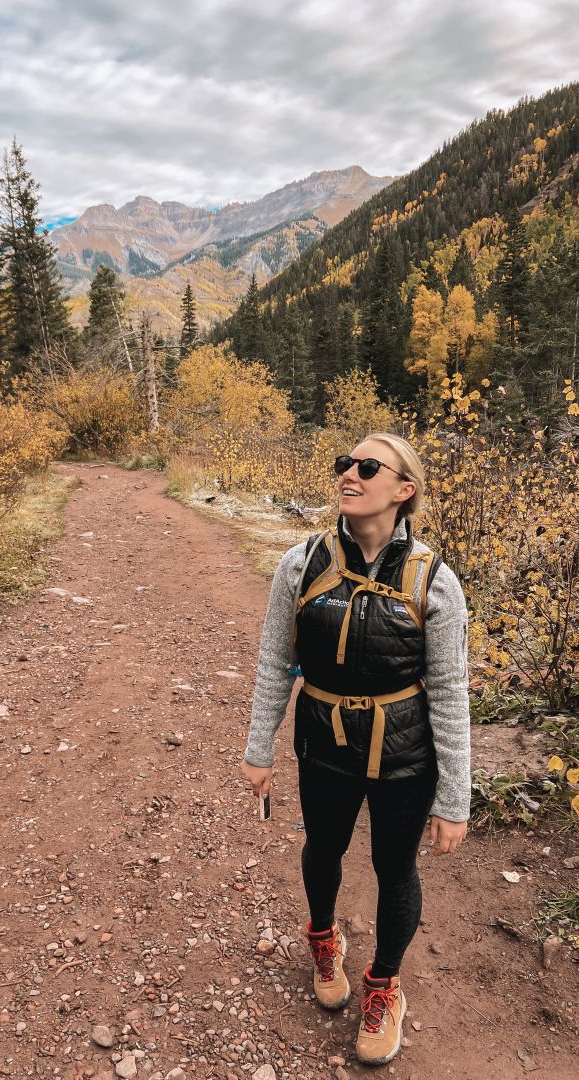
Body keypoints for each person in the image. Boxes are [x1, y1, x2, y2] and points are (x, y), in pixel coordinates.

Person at [241, 432, 470, 1067]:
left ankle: (384, 984)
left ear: (404, 489)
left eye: (369, 467)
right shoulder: (300, 565)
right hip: (324, 743)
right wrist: (259, 748)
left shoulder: (435, 581)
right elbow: (274, 662)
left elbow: (451, 693)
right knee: (323, 848)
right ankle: (323, 939)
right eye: (346, 463)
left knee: (396, 869)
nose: (350, 474)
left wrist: (454, 799)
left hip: (405, 755)